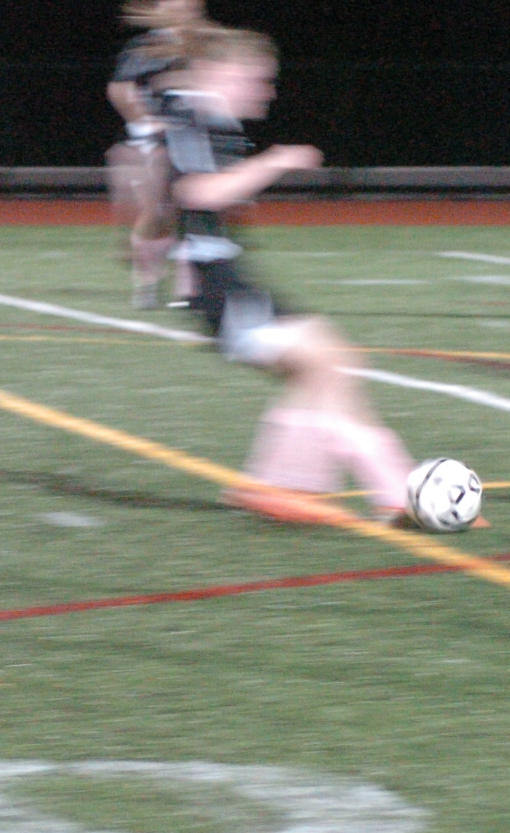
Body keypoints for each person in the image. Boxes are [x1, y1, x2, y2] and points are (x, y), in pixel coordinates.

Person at [157, 27, 421, 525]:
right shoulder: (195, 116)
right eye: (255, 78)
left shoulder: (206, 120)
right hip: (219, 288)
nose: (266, 91)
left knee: (328, 362)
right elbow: (199, 192)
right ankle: (380, 492)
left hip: (227, 280)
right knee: (327, 358)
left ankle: (311, 488)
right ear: (217, 73)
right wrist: (276, 160)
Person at [107, 0, 212, 306]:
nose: (186, 15)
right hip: (156, 139)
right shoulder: (147, 47)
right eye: (178, 9)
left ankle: (187, 286)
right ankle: (147, 278)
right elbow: (120, 90)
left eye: (192, 9)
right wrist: (144, 123)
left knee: (192, 210)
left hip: (197, 135)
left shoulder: (208, 44)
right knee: (157, 211)